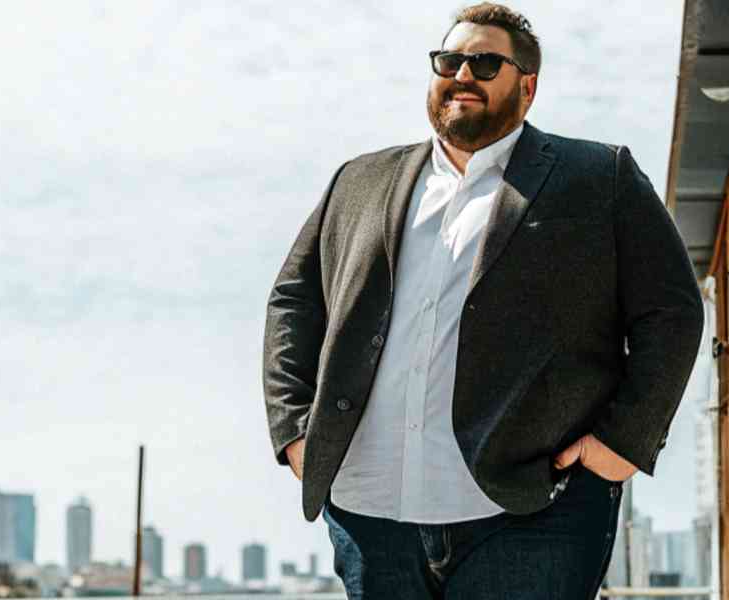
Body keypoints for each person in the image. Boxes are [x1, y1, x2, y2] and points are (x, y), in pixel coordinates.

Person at [260, 3, 704, 597]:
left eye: (485, 62)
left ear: (527, 86)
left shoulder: (599, 176)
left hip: (532, 510)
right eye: (450, 60)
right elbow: (294, 301)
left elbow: (671, 312)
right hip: (369, 511)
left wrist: (624, 442)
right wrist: (295, 430)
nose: (463, 73)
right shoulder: (358, 181)